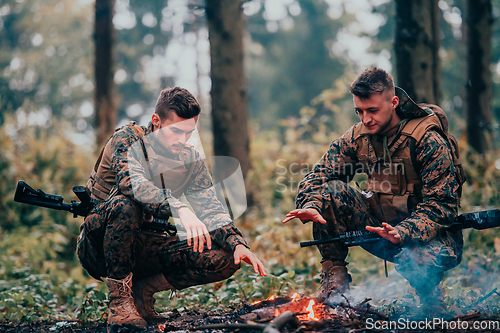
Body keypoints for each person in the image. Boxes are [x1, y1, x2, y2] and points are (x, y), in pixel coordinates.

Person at [77, 87, 266, 329]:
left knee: (226, 256)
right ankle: (120, 303)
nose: (182, 140)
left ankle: (142, 291)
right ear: (156, 121)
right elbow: (130, 183)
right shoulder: (128, 139)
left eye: (189, 133)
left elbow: (210, 209)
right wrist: (179, 208)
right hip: (100, 246)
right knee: (124, 206)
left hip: (148, 244)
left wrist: (236, 242)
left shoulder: (191, 160)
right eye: (175, 131)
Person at [283, 67, 463, 315]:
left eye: (373, 111)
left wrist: (403, 232)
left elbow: (442, 205)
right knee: (330, 190)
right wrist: (311, 204)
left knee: (419, 264)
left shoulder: (427, 140)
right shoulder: (359, 136)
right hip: (377, 230)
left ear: (394, 102)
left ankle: (432, 299)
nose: (365, 119)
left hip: (427, 239)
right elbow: (319, 175)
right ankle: (335, 283)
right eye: (359, 111)